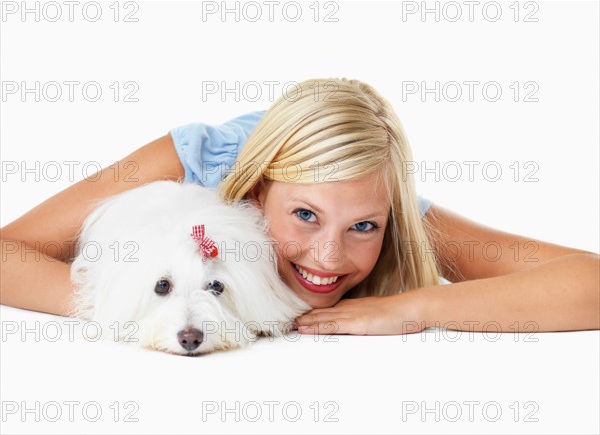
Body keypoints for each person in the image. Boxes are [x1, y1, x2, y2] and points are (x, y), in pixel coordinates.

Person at [1, 78, 598, 335]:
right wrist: (143, 304)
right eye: (305, 216)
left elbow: (589, 283)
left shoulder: (383, 204)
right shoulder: (196, 160)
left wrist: (414, 308)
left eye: (362, 227)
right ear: (256, 189)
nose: (329, 255)